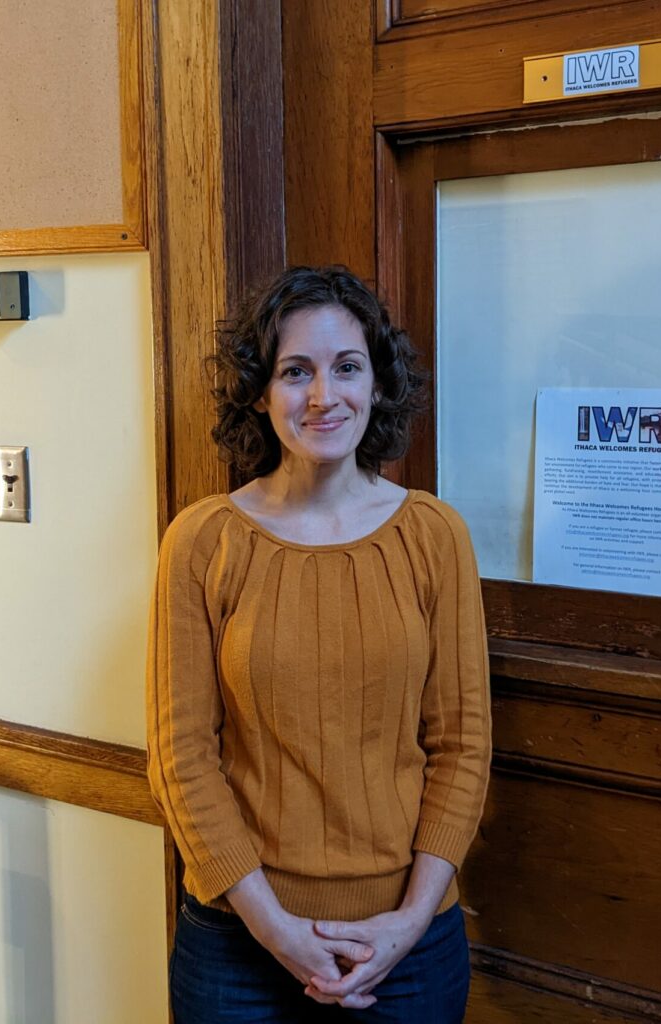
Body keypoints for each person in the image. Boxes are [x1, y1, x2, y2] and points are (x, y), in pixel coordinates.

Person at [146, 265, 491, 1022]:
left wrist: (407, 924)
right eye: (295, 371)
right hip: (237, 943)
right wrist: (276, 929)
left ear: (378, 384)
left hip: (409, 943)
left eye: (347, 368)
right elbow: (181, 756)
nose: (323, 396)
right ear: (260, 391)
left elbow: (462, 745)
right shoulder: (203, 541)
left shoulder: (435, 537)